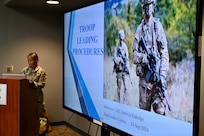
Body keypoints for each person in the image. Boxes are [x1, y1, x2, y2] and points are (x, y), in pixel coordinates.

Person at [132, 0, 169, 115]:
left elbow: (164, 54)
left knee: (161, 112)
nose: (148, 8)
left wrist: (162, 76)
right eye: (146, 5)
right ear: (143, 7)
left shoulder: (157, 26)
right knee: (144, 118)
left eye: (150, 5)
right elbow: (134, 56)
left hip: (157, 81)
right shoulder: (139, 29)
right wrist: (145, 58)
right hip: (145, 82)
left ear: (153, 6)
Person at [20, 52, 47, 135]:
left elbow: (42, 84)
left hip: (37, 99)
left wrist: (33, 83)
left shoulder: (41, 71)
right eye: (28, 60)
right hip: (26, 99)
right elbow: (19, 81)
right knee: (26, 118)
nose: (29, 62)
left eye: (31, 60)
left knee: (36, 119)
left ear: (36, 60)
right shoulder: (24, 70)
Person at [113, 29, 130, 102]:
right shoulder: (117, 47)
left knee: (126, 87)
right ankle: (118, 101)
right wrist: (119, 59)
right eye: (120, 39)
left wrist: (126, 65)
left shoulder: (125, 47)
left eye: (122, 39)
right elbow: (114, 58)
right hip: (119, 70)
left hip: (124, 70)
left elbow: (127, 58)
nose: (121, 40)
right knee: (119, 87)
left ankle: (125, 102)